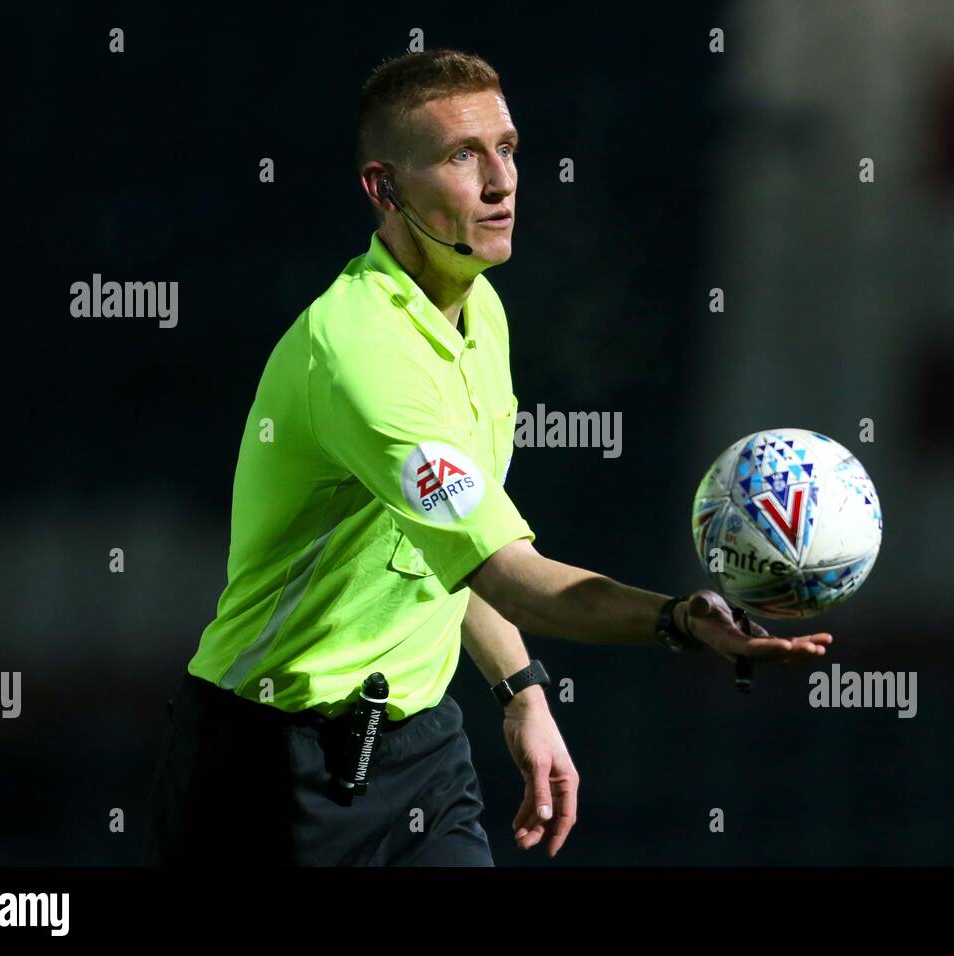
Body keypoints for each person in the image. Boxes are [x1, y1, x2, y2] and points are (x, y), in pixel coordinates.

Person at [142, 48, 833, 867]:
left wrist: (521, 690)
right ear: (382, 188)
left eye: (506, 148)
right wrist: (678, 619)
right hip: (268, 769)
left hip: (422, 755)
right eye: (460, 156)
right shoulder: (359, 352)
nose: (500, 181)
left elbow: (454, 555)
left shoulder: (483, 313)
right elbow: (510, 574)